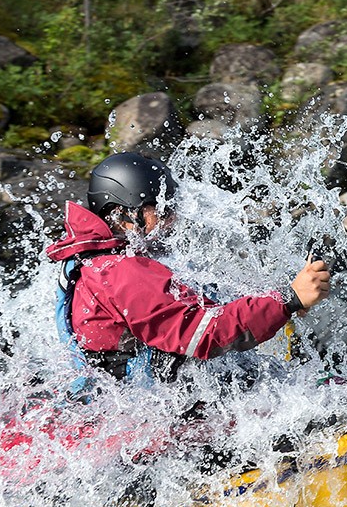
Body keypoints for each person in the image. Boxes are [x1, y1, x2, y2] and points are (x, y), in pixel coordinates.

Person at [45, 152, 331, 382]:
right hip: (152, 412)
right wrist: (288, 300)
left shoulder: (97, 262)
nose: (172, 219)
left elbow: (197, 307)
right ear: (123, 216)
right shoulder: (120, 273)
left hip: (137, 397)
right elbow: (206, 334)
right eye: (161, 210)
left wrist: (274, 299)